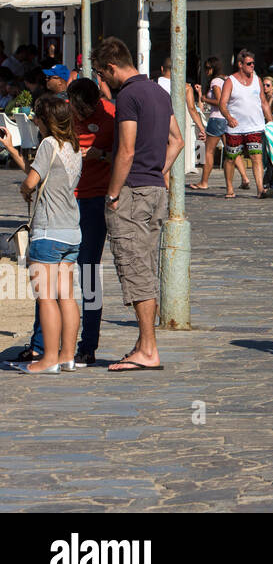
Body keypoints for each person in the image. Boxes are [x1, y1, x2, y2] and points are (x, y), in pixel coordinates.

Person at [93, 36, 184, 372]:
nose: (103, 83)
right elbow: (177, 141)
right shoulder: (159, 92)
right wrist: (158, 171)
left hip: (131, 192)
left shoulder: (129, 95)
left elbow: (127, 150)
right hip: (155, 190)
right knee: (145, 266)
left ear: (112, 67)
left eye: (102, 75)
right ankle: (144, 345)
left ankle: (148, 349)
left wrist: (113, 193)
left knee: (134, 269)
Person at [20, 77, 115, 366]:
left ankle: (87, 344)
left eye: (81, 109)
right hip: (69, 200)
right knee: (59, 286)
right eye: (72, 107)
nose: (76, 113)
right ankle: (41, 344)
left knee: (88, 275)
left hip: (95, 199)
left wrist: (102, 154)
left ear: (95, 103)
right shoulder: (62, 116)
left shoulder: (112, 115)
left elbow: (127, 154)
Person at [1, 94, 83, 374]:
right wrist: (12, 151)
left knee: (46, 297)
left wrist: (24, 190)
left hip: (48, 231)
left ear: (46, 121)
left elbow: (32, 181)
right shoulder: (73, 147)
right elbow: (46, 175)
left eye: (37, 117)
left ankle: (48, 359)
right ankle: (67, 356)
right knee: (67, 297)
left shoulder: (48, 144)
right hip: (71, 231)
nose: (34, 121)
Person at [219, 48, 273, 199]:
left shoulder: (257, 80)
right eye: (249, 63)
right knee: (231, 158)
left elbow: (264, 102)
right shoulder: (231, 81)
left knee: (256, 157)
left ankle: (260, 189)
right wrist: (229, 117)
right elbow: (222, 103)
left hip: (255, 126)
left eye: (253, 63)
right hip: (235, 128)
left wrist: (271, 122)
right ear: (240, 64)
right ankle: (230, 188)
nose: (252, 66)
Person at [190, 57, 242, 192]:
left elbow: (219, 101)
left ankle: (204, 181)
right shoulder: (227, 79)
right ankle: (245, 177)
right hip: (227, 118)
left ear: (214, 68)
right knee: (231, 149)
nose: (206, 71)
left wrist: (205, 99)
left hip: (217, 119)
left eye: (208, 68)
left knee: (208, 151)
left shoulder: (215, 81)